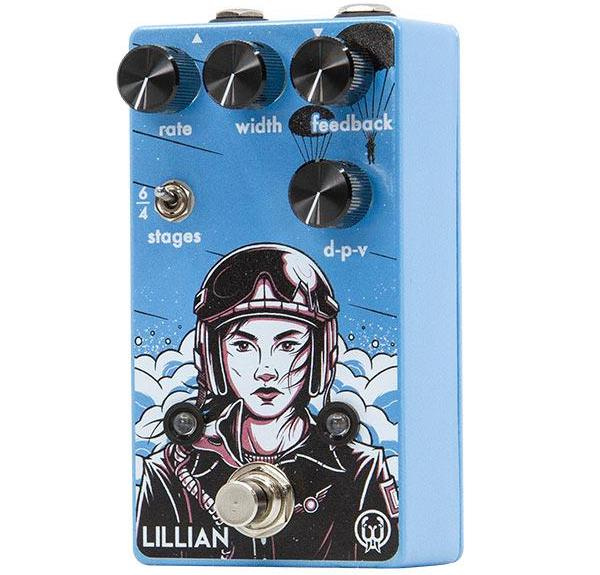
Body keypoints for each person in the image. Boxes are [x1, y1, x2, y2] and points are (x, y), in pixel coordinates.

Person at [136, 244, 398, 560]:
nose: (265, 371)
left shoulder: (361, 468)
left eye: (287, 345)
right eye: (243, 345)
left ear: (320, 353)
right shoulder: (169, 469)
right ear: (212, 355)